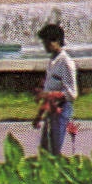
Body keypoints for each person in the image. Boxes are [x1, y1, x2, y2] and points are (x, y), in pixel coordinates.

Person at [33, 22, 77, 157]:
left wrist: (48, 94)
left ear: (56, 41)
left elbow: (71, 94)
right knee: (46, 151)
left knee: (55, 151)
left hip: (62, 111)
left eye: (46, 42)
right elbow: (49, 90)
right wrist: (39, 116)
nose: (44, 46)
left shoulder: (66, 63)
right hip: (51, 110)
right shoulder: (52, 61)